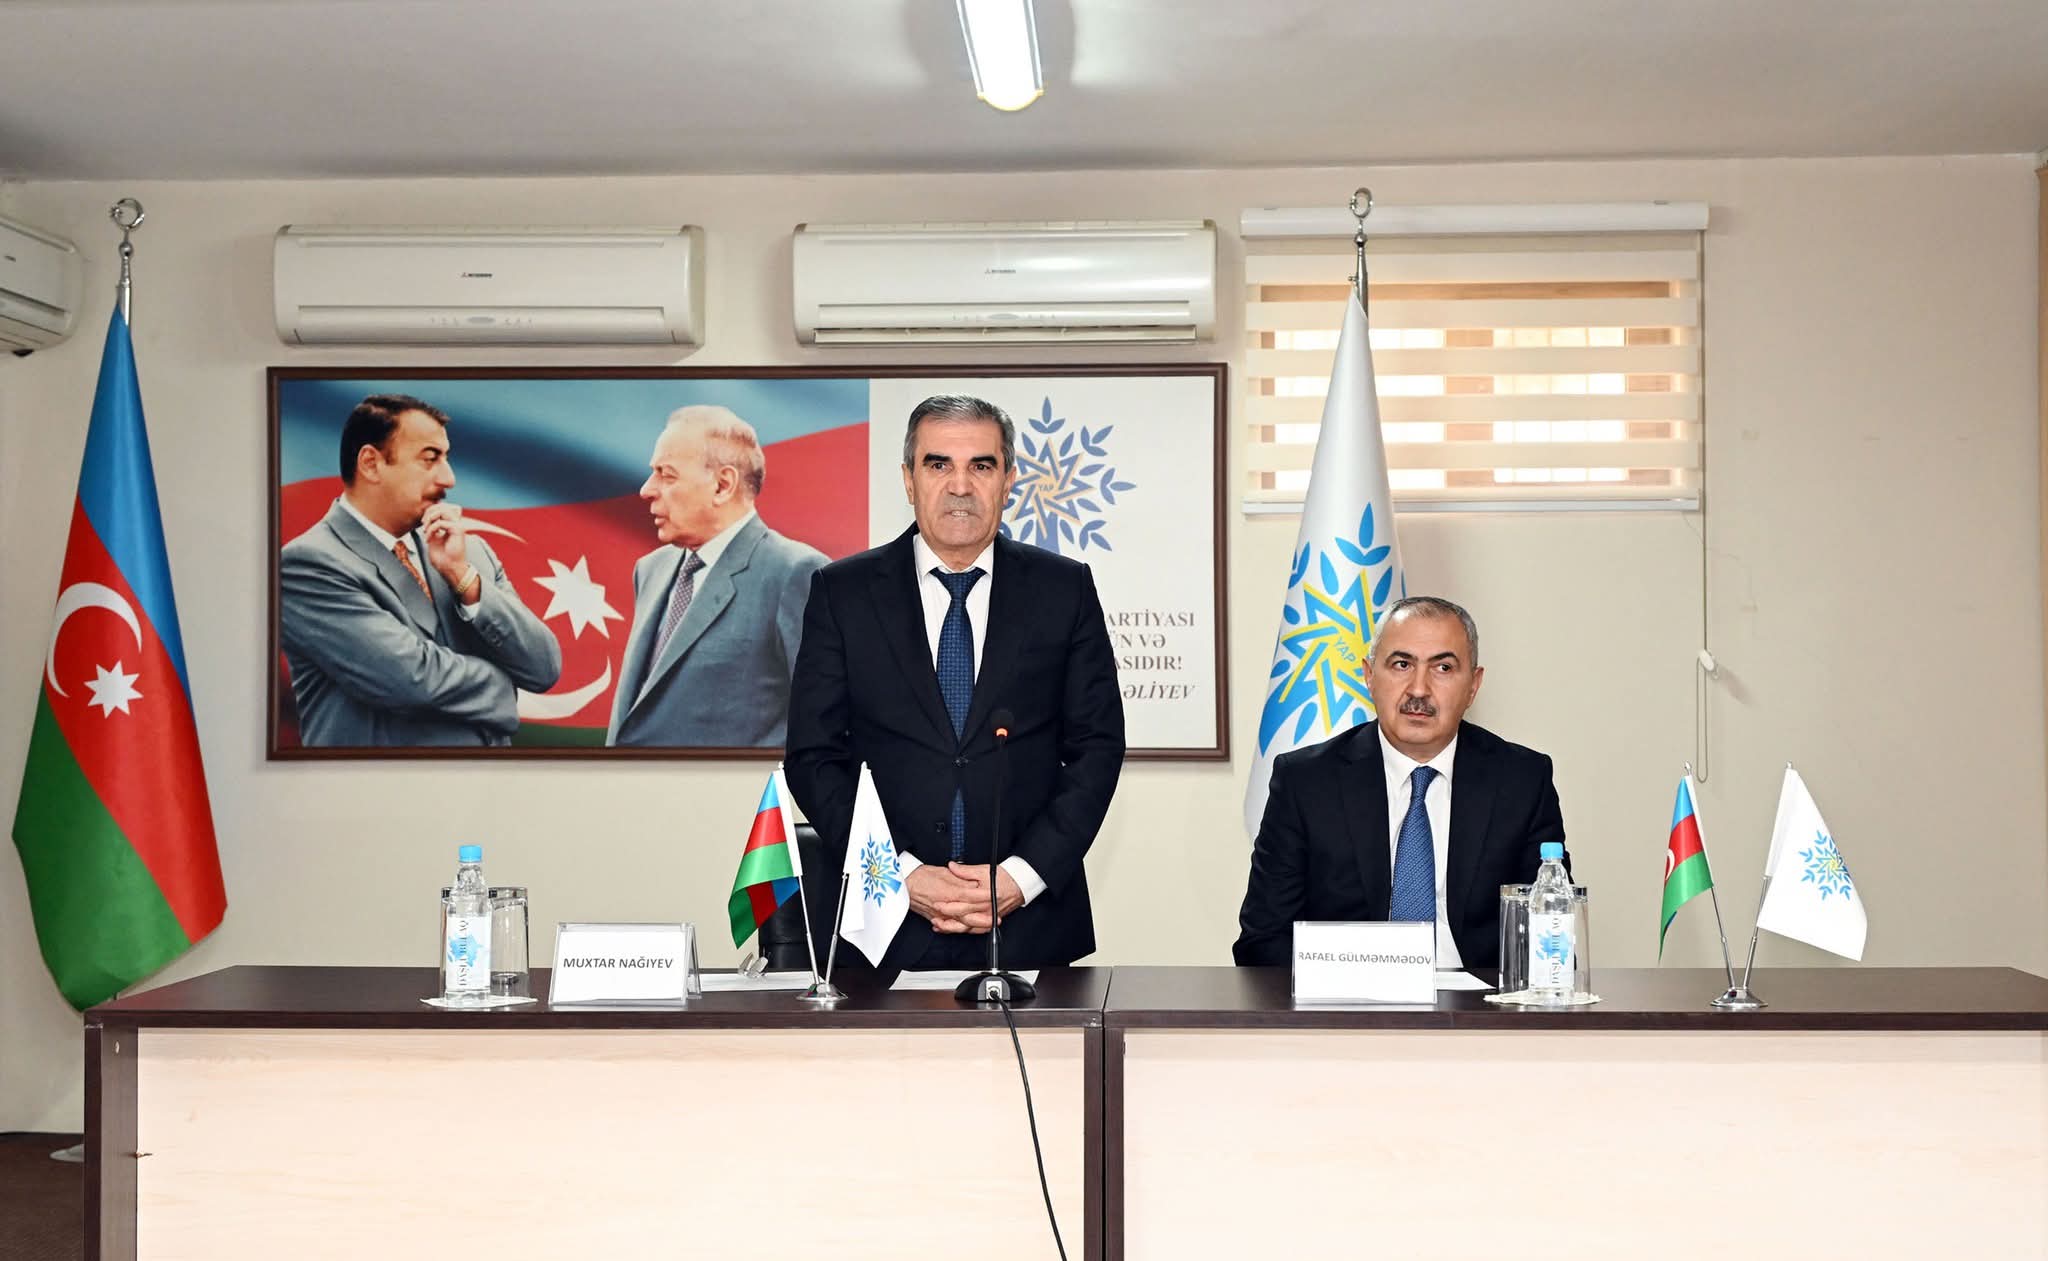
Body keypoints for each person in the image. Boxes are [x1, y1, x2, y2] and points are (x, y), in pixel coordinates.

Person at [786, 395, 1125, 970]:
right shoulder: (843, 593)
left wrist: (1020, 877)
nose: (960, 486)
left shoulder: (1063, 590)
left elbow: (1097, 748)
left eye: (981, 466)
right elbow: (813, 757)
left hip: (1029, 926)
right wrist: (901, 874)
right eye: (938, 464)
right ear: (908, 479)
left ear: (1009, 480)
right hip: (884, 929)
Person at [1233, 595, 1567, 968]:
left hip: (1479, 997)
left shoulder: (1521, 780)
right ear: (1369, 675)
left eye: (1443, 668)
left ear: (1473, 686)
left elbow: (1551, 933)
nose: (1419, 689)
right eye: (1402, 664)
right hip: (1348, 995)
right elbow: (1262, 941)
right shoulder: (1306, 782)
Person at [280, 393, 561, 747]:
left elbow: (543, 667)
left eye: (446, 458)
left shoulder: (470, 553)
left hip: (487, 781)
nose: (449, 478)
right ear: (370, 463)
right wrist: (504, 688)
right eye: (430, 459)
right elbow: (409, 679)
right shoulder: (310, 563)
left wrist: (463, 579)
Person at [607, 407, 828, 748]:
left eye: (667, 475)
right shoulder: (651, 569)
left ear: (723, 485)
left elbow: (825, 720)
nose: (646, 490)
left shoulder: (795, 573)